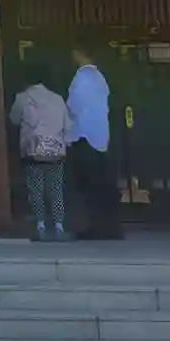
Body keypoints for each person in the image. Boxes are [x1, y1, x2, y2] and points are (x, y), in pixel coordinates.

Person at [66, 44, 121, 239]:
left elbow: (74, 107)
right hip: (100, 137)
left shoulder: (82, 78)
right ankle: (108, 226)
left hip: (84, 136)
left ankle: (95, 226)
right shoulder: (99, 78)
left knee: (89, 185)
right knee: (101, 183)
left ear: (78, 53)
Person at [9, 69, 70, 241]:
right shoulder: (57, 99)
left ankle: (40, 225)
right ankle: (59, 225)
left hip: (33, 149)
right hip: (56, 149)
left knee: (35, 189)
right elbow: (67, 125)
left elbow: (13, 119)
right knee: (56, 188)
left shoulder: (22, 98)